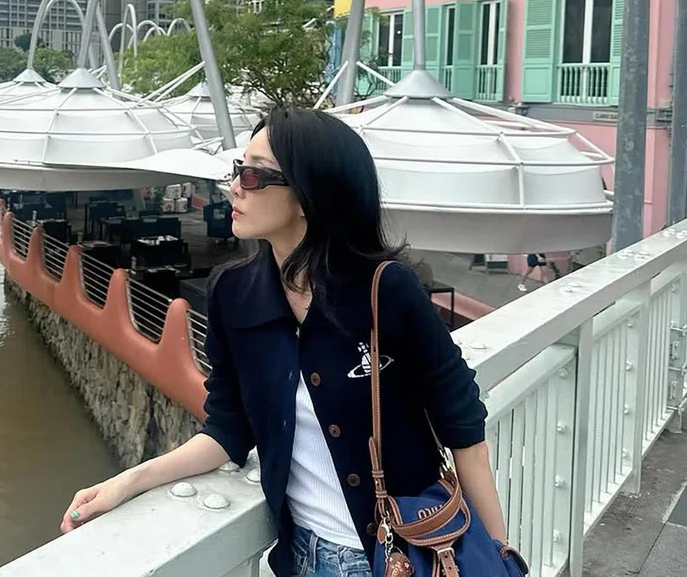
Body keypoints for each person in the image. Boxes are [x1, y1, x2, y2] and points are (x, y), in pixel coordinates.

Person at [60, 108, 507, 576]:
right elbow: (227, 431)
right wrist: (130, 481)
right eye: (237, 170)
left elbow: (464, 429)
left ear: (309, 196)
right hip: (300, 558)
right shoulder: (233, 294)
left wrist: (499, 556)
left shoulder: (386, 290)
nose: (234, 187)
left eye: (253, 176)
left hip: (403, 556)